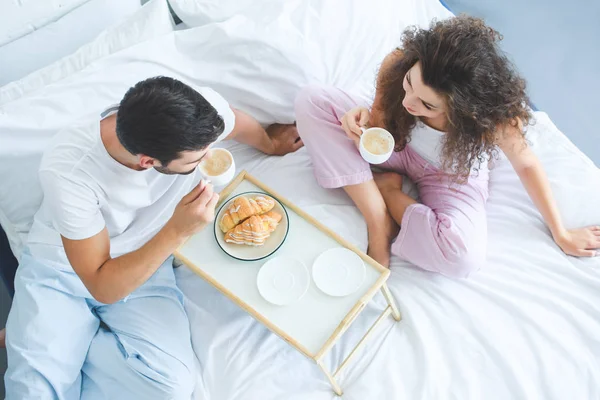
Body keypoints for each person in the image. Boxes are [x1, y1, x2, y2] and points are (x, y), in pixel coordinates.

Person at [4, 76, 302, 399]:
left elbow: (233, 120)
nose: (206, 160)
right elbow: (100, 283)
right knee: (31, 392)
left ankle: (57, 340)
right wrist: (178, 230)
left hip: (147, 268)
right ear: (148, 162)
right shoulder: (70, 171)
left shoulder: (194, 115)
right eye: (195, 161)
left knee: (170, 387)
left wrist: (269, 144)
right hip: (66, 271)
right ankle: (51, 337)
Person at [295, 16, 600, 277]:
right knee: (312, 99)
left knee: (461, 256)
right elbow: (379, 119)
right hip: (396, 145)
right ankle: (378, 219)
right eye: (410, 83)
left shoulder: (494, 121)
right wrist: (359, 121)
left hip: (448, 174)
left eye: (427, 104)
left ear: (464, 110)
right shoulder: (398, 64)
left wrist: (561, 233)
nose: (408, 102)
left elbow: (527, 165)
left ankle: (387, 191)